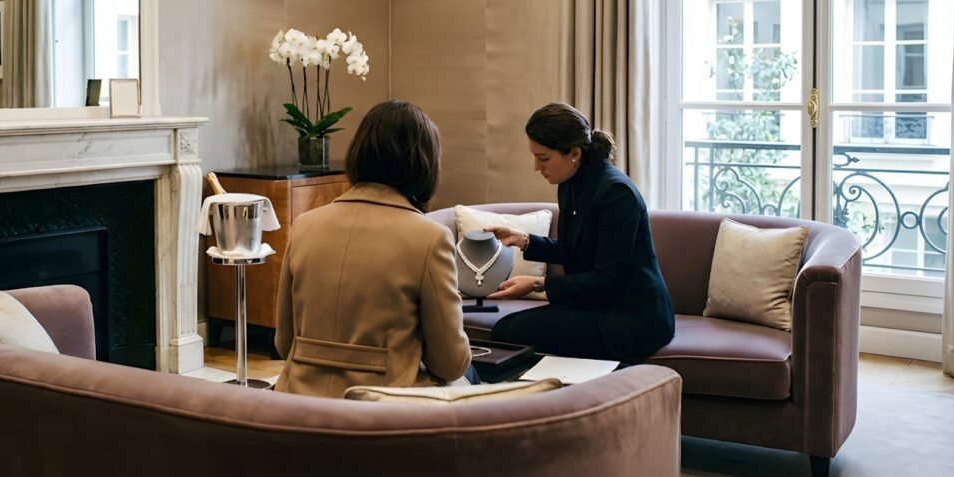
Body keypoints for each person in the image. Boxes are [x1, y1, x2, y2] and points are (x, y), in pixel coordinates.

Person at [273, 100, 473, 397]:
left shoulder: (304, 225)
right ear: (424, 163)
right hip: (381, 407)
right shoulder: (430, 238)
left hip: (300, 401)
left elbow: (284, 343)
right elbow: (450, 363)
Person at [485, 102, 675, 361]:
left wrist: (538, 283)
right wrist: (524, 240)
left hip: (634, 317)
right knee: (507, 329)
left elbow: (608, 279)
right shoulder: (570, 183)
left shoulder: (617, 194)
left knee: (510, 332)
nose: (536, 167)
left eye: (543, 158)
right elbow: (575, 250)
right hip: (598, 305)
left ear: (574, 153)